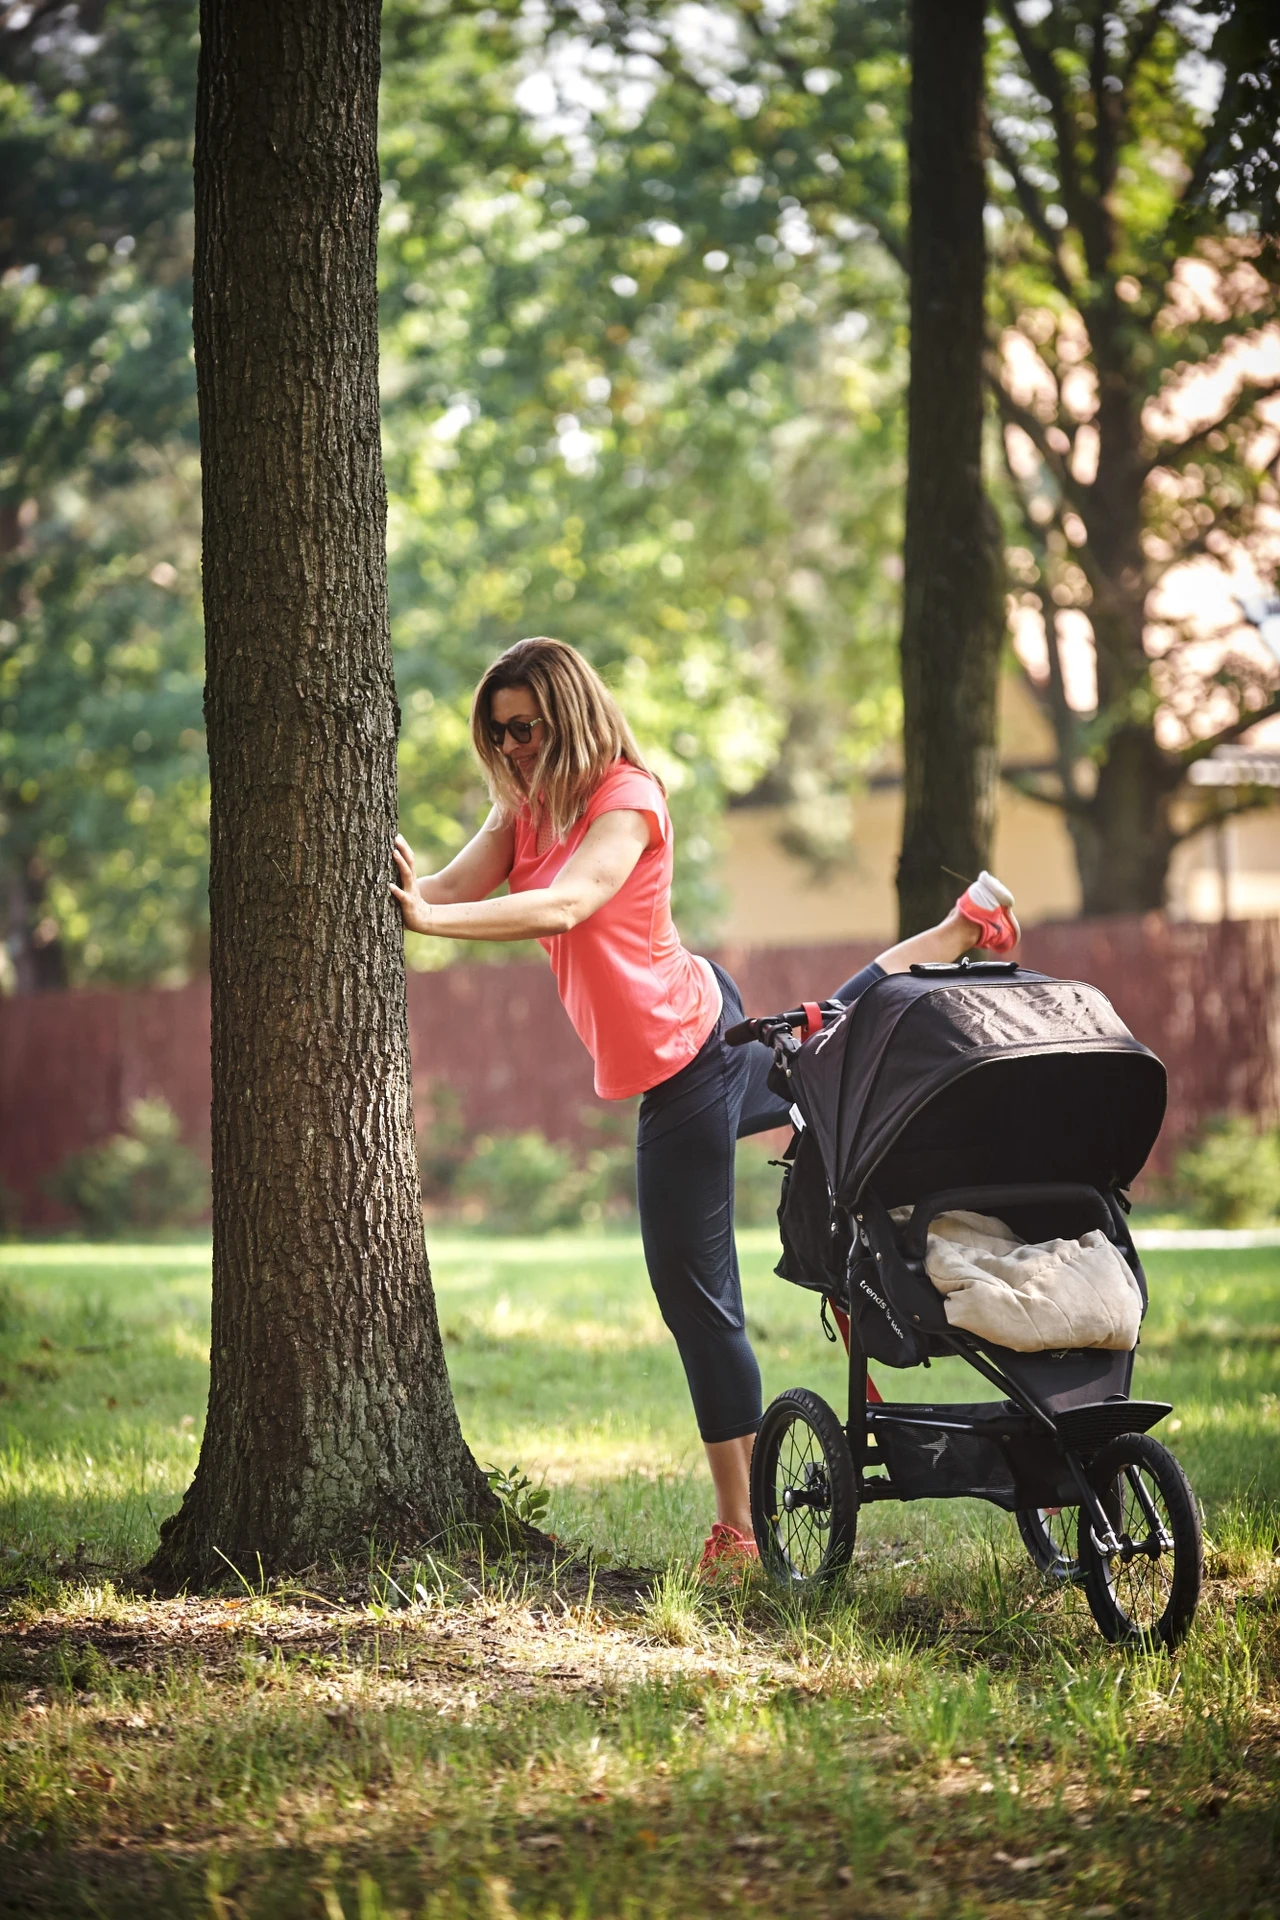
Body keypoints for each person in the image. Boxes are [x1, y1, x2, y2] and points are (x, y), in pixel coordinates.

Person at [391, 637, 1019, 1573]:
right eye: (498, 733)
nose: (513, 747)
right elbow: (435, 889)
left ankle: (736, 1528)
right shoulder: (521, 809)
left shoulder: (627, 799)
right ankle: (956, 929)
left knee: (695, 1296)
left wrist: (432, 923)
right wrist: (390, 876)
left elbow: (569, 905)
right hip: (706, 1023)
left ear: (568, 714)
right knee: (832, 1041)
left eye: (526, 728)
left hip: (686, 1060)